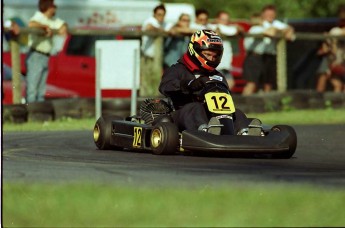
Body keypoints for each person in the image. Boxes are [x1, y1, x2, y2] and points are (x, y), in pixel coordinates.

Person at [159, 30, 258, 135]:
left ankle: (244, 132)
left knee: (236, 112)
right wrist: (189, 84)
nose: (211, 58)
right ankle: (204, 131)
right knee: (195, 108)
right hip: (182, 114)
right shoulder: (178, 69)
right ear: (195, 50)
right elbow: (165, 86)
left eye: (215, 56)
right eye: (207, 54)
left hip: (212, 116)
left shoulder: (218, 75)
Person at [25, 0, 68, 103]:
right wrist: (44, 27)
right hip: (36, 54)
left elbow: (62, 24)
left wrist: (64, 27)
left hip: (45, 55)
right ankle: (31, 109)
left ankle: (39, 111)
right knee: (33, 86)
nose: (55, 9)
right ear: (48, 7)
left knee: (41, 87)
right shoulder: (39, 17)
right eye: (53, 6)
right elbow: (32, 24)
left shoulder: (52, 20)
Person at [260, 4, 295, 92]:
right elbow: (270, 32)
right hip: (259, 56)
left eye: (272, 14)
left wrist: (283, 31)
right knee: (256, 82)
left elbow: (289, 31)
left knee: (269, 81)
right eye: (268, 14)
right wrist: (281, 31)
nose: (270, 16)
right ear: (263, 14)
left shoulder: (276, 23)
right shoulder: (259, 23)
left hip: (271, 56)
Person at [141, 4, 170, 96]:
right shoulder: (150, 21)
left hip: (157, 58)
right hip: (147, 56)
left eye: (162, 15)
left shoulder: (163, 23)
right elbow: (149, 27)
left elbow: (172, 30)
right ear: (154, 14)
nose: (161, 17)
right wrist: (161, 30)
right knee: (146, 81)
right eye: (159, 14)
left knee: (156, 80)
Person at [316, 5, 345, 93]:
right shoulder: (335, 30)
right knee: (324, 79)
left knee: (339, 85)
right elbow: (323, 49)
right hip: (332, 60)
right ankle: (318, 102)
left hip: (341, 61)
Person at [212, 10, 243, 90]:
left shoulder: (228, 28)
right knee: (219, 85)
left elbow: (239, 29)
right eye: (223, 19)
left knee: (230, 84)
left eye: (227, 19)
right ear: (217, 19)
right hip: (217, 65)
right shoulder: (214, 28)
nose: (225, 21)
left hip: (225, 64)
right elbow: (233, 31)